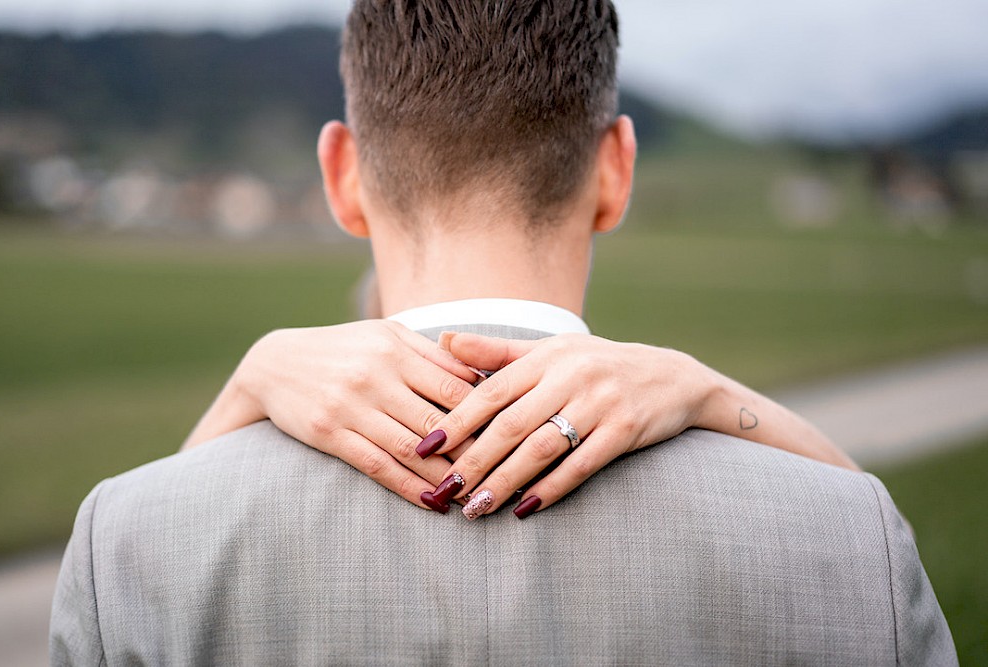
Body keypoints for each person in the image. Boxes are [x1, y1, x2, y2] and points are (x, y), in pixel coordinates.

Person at [51, 1, 956, 664]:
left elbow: (148, 575)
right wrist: (713, 393)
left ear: (341, 176)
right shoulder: (845, 540)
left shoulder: (127, 540)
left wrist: (246, 386)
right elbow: (878, 555)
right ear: (616, 170)